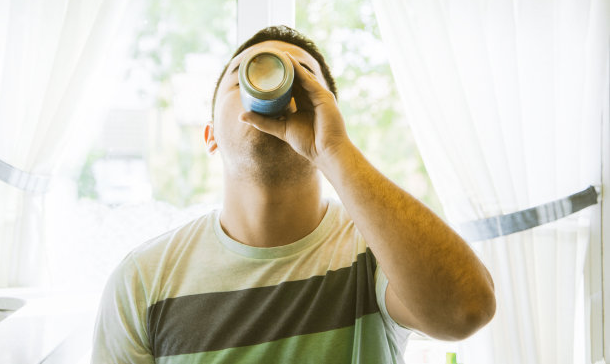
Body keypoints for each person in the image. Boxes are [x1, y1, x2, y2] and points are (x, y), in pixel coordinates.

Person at [92, 25, 496, 364]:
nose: (273, 81)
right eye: (242, 76)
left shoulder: (375, 249)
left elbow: (466, 312)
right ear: (210, 135)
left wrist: (334, 151)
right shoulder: (143, 280)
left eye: (302, 76)